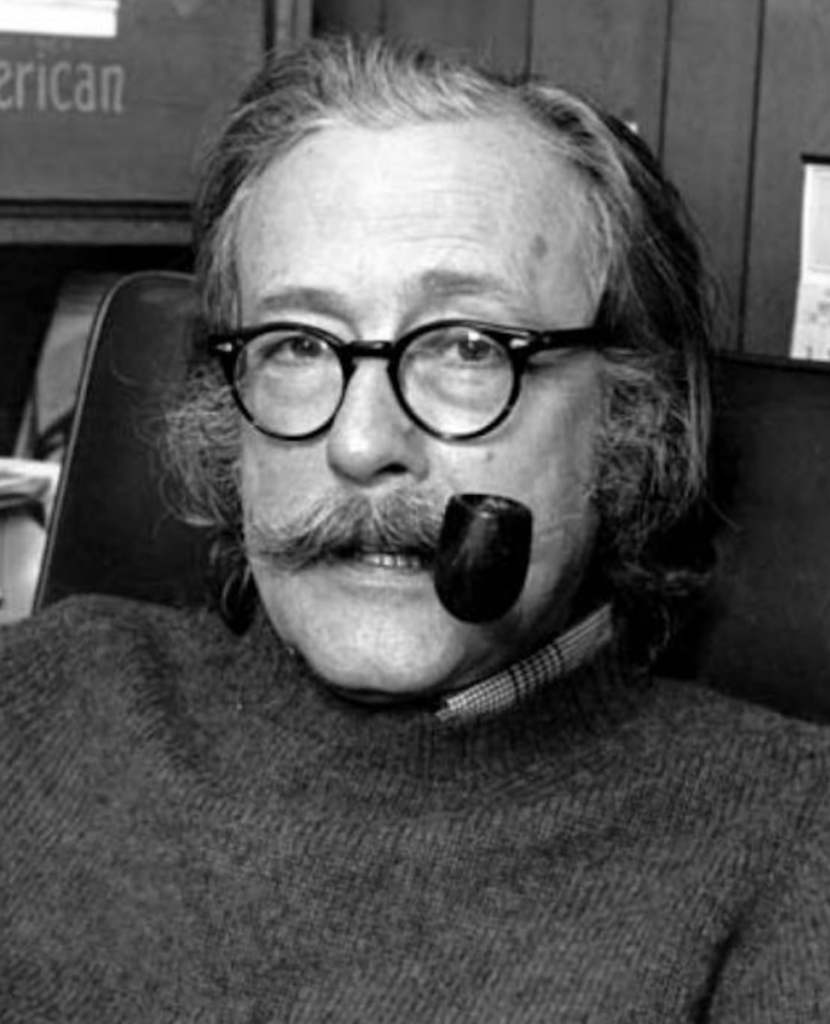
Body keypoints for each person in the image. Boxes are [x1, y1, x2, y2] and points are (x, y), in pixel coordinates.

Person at [1, 34, 829, 1023]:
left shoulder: (789, 834)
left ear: (629, 414)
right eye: (298, 344)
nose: (360, 443)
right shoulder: (46, 695)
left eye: (470, 347)